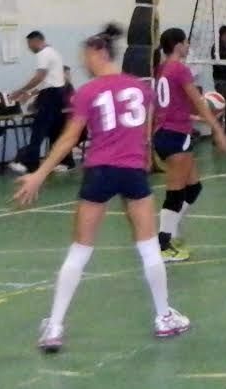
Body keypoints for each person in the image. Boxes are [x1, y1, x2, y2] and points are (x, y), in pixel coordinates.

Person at [12, 24, 194, 353]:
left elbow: (69, 137)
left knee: (80, 250)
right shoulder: (141, 89)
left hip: (99, 172)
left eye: (87, 56)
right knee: (148, 248)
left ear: (100, 53)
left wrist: (39, 173)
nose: (84, 63)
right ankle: (163, 316)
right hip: (133, 172)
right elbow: (147, 128)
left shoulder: (88, 92)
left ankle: (54, 327)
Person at [152, 28, 226, 262]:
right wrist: (219, 131)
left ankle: (171, 232)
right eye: (186, 42)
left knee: (193, 188)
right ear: (178, 45)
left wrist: (196, 118)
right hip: (173, 136)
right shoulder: (179, 69)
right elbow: (198, 102)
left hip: (169, 132)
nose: (188, 46)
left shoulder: (162, 69)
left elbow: (171, 106)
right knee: (175, 193)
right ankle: (162, 245)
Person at [8, 30, 70, 175]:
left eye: (29, 44)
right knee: (55, 130)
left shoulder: (43, 54)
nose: (29, 48)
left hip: (51, 95)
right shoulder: (53, 52)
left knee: (39, 129)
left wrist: (20, 91)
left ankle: (31, 165)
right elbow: (47, 82)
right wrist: (29, 93)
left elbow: (39, 78)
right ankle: (64, 161)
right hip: (58, 94)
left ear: (36, 41)